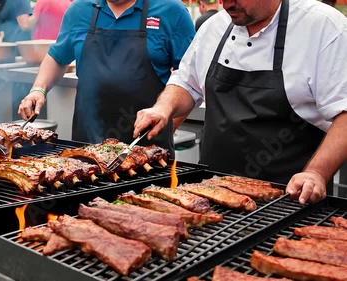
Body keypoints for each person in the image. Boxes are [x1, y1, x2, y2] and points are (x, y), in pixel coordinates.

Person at [134, 0, 347, 204]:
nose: (227, 4)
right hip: (210, 192)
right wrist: (163, 107)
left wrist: (316, 172)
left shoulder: (323, 27)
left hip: (290, 197)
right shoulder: (215, 27)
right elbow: (187, 83)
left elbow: (344, 114)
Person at [18, 0, 195, 155]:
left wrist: (167, 125)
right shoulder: (79, 9)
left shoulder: (172, 11)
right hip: (87, 148)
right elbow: (57, 57)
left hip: (147, 149)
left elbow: (190, 81)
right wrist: (38, 89)